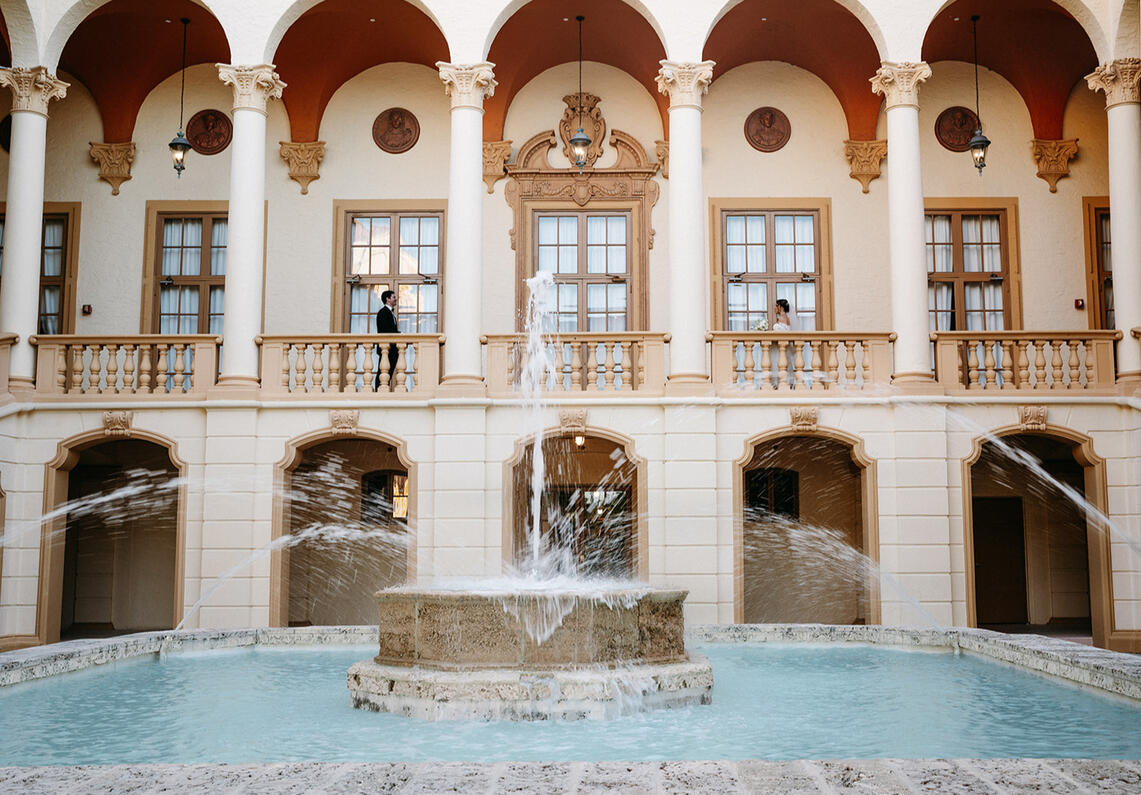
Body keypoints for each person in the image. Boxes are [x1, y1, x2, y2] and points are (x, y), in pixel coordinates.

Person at [375, 289, 399, 389]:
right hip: (386, 348)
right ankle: (378, 391)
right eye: (393, 297)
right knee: (383, 371)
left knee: (388, 372)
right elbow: (385, 330)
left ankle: (383, 389)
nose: (396, 299)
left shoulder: (390, 313)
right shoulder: (383, 312)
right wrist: (399, 334)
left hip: (392, 348)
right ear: (387, 299)